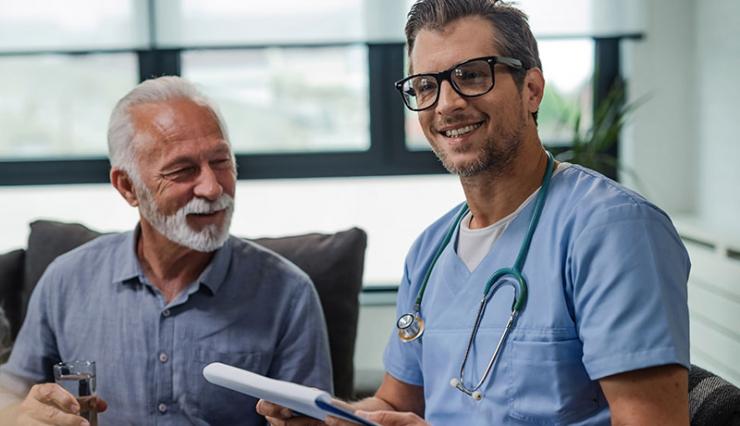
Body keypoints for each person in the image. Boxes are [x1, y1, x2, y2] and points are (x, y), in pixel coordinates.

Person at [258, 0, 690, 424]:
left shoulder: (613, 231)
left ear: (531, 90)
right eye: (426, 85)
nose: (446, 104)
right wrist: (336, 417)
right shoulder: (429, 252)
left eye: (471, 75)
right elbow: (396, 405)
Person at [0, 76, 333, 425]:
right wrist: (22, 414)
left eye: (221, 161)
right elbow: (11, 392)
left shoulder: (289, 293)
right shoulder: (66, 280)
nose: (212, 186)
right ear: (128, 187)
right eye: (183, 170)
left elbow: (311, 416)